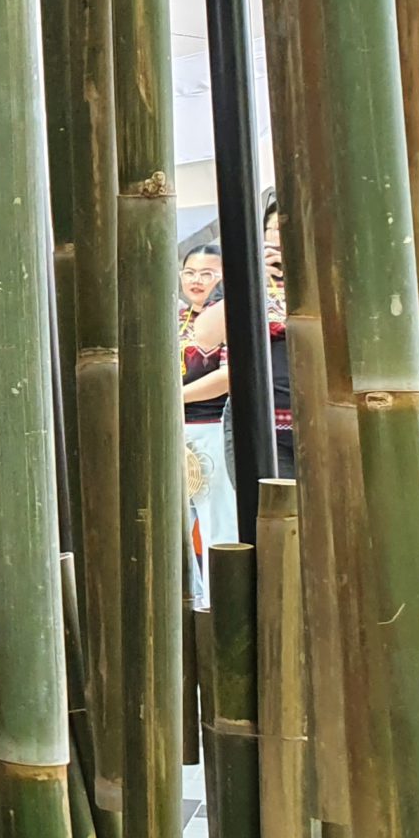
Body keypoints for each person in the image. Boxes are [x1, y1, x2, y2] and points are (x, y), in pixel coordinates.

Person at [179, 242, 233, 598]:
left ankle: (220, 602)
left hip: (212, 429)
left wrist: (174, 397)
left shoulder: (225, 318)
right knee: (175, 527)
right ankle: (189, 604)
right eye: (189, 273)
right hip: (172, 430)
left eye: (207, 273)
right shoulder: (175, 317)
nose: (196, 281)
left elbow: (227, 377)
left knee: (219, 522)